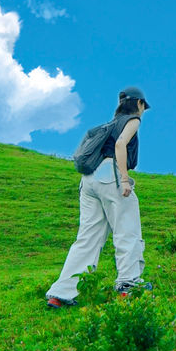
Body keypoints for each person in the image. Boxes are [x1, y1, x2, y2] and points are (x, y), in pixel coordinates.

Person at [46, 87, 151, 308]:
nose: (143, 111)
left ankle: (60, 294)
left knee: (87, 237)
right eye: (143, 107)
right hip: (109, 173)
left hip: (88, 179)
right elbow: (121, 144)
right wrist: (124, 179)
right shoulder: (132, 120)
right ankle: (128, 285)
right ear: (139, 104)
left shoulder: (109, 124)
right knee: (126, 229)